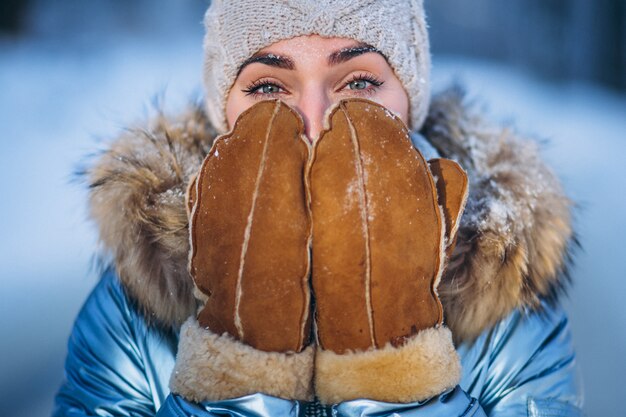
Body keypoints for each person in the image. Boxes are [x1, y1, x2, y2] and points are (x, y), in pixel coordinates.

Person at [52, 1, 583, 416]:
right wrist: (234, 377)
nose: (314, 124)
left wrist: (396, 376)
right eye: (267, 87)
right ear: (224, 110)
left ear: (407, 99)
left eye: (358, 83)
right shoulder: (136, 309)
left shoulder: (504, 308)